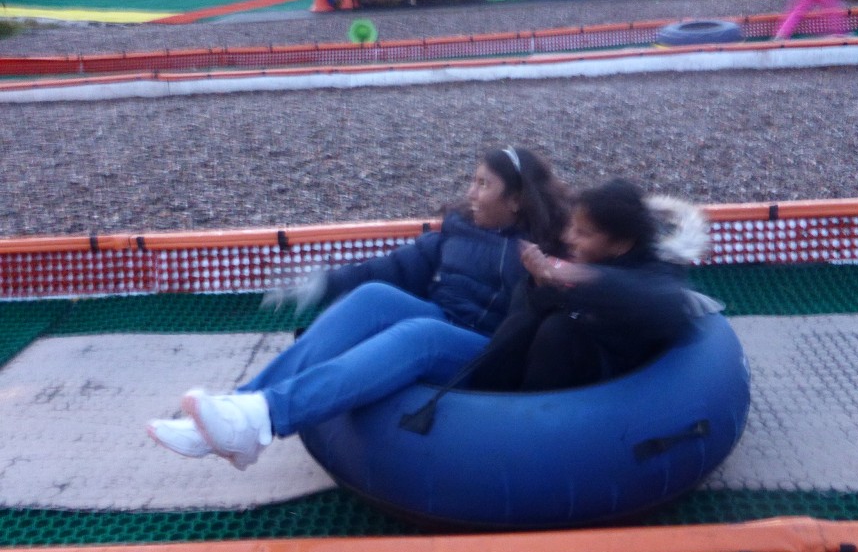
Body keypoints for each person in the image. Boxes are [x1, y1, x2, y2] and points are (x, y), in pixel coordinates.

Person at [147, 147, 569, 469]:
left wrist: (541, 279)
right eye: (472, 181)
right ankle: (234, 414)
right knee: (374, 297)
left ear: (516, 200)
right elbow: (392, 268)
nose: (470, 194)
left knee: (420, 335)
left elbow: (548, 318)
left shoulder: (541, 253)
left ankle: (264, 417)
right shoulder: (458, 230)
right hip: (442, 322)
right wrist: (324, 284)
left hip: (485, 352)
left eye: (483, 185)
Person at [467, 178, 720, 392]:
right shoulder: (586, 257)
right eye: (572, 228)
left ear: (621, 243)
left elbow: (664, 303)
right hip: (544, 382)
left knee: (559, 330)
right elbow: (520, 320)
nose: (569, 238)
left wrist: (585, 279)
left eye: (584, 233)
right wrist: (538, 283)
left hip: (611, 392)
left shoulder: (656, 272)